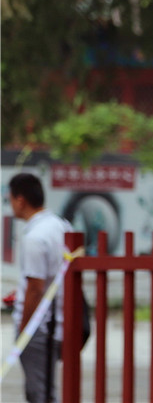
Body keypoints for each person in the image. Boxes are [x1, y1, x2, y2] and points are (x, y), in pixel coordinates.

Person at [8, 173, 72, 403]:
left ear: (20, 200)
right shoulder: (61, 226)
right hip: (59, 322)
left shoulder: (35, 237)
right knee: (45, 387)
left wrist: (24, 330)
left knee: (39, 393)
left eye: (10, 199)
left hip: (39, 328)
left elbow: (36, 288)